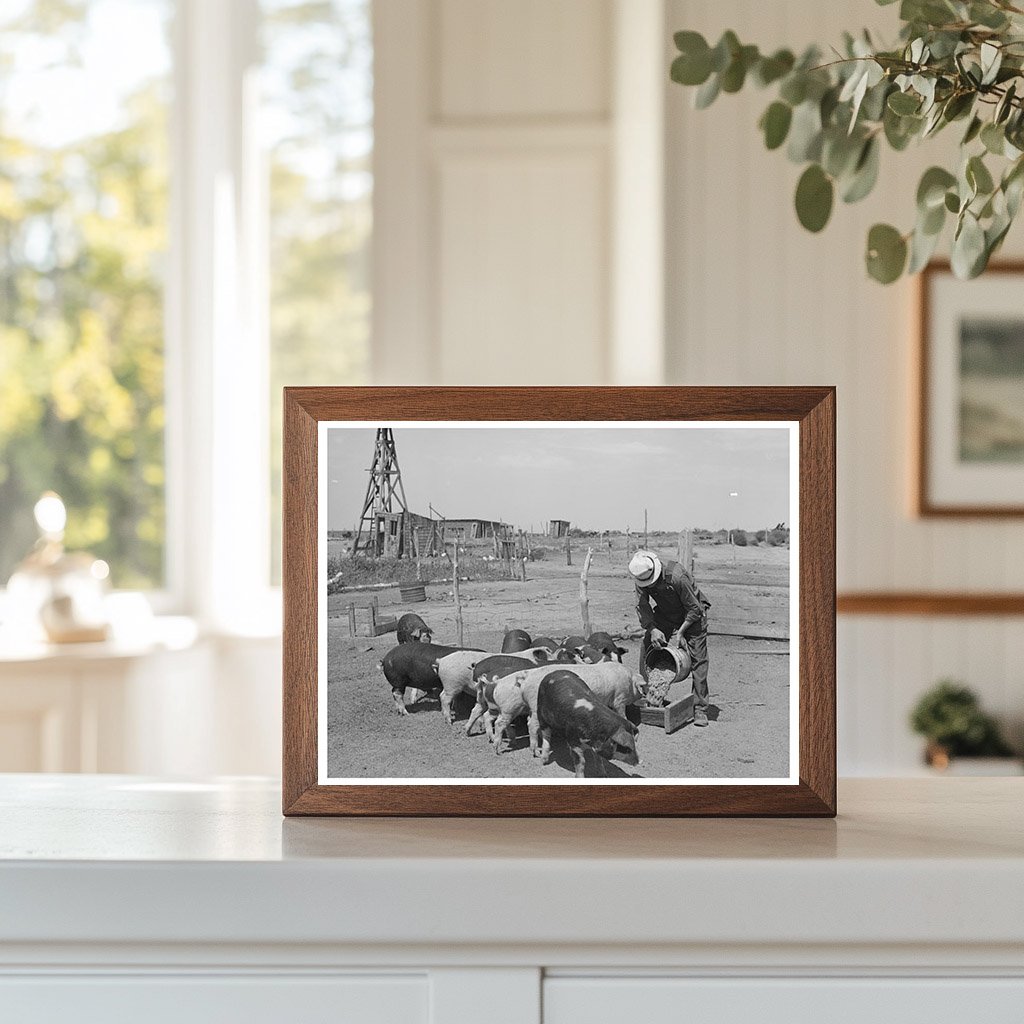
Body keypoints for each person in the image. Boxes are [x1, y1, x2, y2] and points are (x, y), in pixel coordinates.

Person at [628, 550, 711, 727]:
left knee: (698, 659)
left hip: (692, 615)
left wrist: (680, 633)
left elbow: (694, 609)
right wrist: (652, 628)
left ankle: (700, 708)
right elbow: (642, 606)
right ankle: (649, 694)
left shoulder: (677, 576)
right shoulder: (641, 577)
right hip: (666, 613)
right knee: (648, 646)